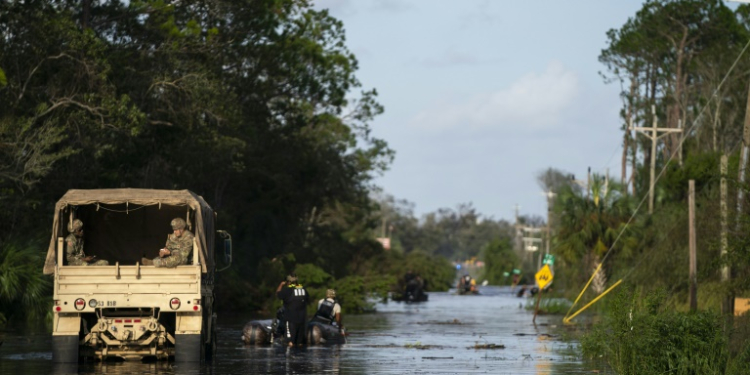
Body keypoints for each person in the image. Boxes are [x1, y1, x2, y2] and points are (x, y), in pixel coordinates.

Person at [276, 273, 309, 347]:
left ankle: (291, 357)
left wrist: (281, 284)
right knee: (300, 343)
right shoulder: (303, 290)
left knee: (290, 342)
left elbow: (278, 294)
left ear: (288, 282)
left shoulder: (288, 290)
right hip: (302, 320)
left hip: (291, 320)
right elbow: (307, 300)